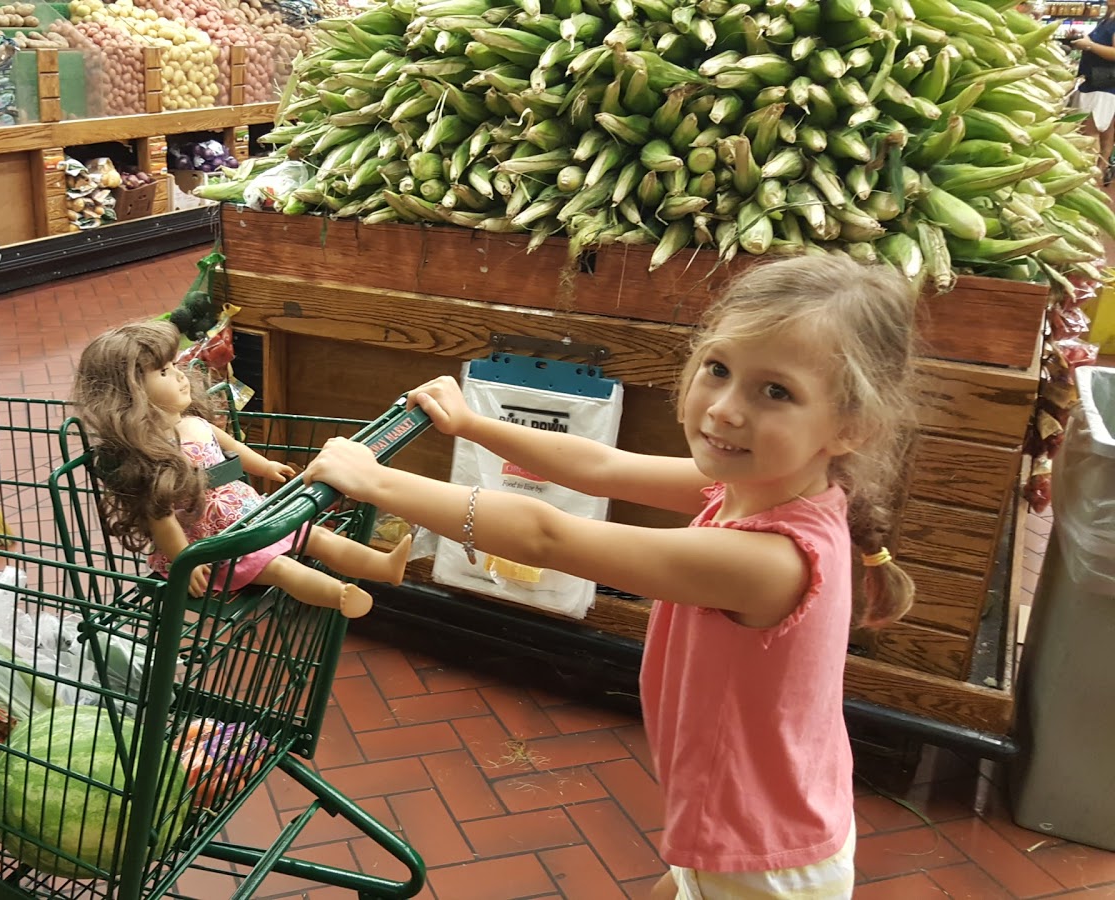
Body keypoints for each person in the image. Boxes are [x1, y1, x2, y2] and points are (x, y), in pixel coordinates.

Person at [302, 255, 920, 899]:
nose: (726, 410)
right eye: (719, 369)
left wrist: (375, 481)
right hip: (759, 815)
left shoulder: (771, 561)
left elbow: (551, 536)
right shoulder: (758, 483)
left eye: (776, 391)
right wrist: (475, 424)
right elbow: (599, 465)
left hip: (761, 859)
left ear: (852, 427)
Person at [72, 320, 411, 618]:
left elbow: (233, 447)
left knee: (315, 534)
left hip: (248, 514)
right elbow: (160, 517)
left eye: (175, 365)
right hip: (214, 542)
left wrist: (265, 465)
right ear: (130, 394)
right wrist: (184, 562)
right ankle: (339, 595)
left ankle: (384, 567)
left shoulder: (192, 422)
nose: (179, 376)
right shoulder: (151, 451)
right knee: (279, 568)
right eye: (163, 372)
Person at [1072, 9, 1115, 185]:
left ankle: (1088, 178)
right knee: (1106, 131)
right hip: (1098, 82)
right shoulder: (1108, 18)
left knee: (1089, 133)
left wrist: (1089, 46)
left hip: (1103, 83)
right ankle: (1097, 175)